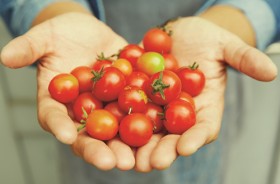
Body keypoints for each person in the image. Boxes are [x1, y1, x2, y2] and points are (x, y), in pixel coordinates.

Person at [0, 0, 279, 183]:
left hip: (207, 89)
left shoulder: (169, 87)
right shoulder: (110, 91)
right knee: (96, 166)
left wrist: (230, 22)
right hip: (94, 134)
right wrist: (54, 11)